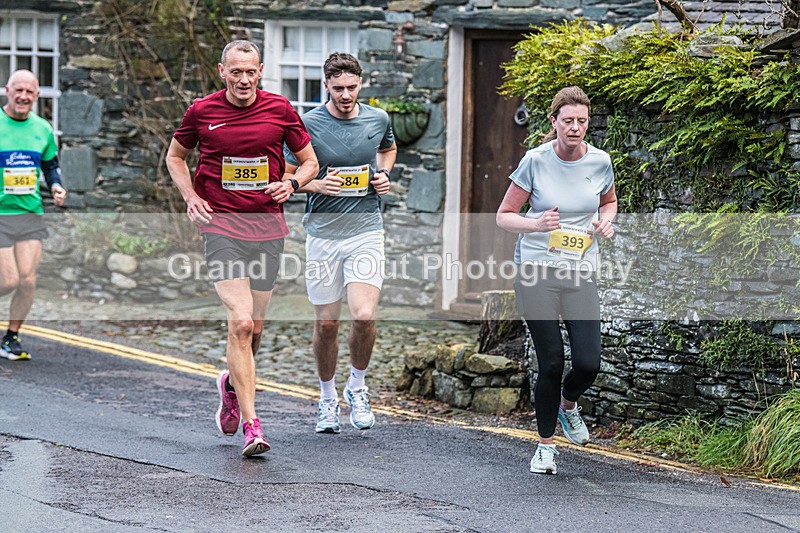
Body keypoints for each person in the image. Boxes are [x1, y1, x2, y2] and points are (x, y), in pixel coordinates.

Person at [166, 40, 319, 457]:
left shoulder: (280, 109)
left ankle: (231, 384)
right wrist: (190, 198)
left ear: (261, 70)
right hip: (221, 227)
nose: (244, 79)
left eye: (251, 71)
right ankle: (253, 426)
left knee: (256, 329)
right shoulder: (202, 111)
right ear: (222, 71)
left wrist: (291, 183)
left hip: (268, 228)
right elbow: (176, 157)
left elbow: (310, 163)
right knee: (242, 323)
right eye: (236, 72)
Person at [496, 86, 617, 475]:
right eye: (568, 121)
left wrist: (607, 222)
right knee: (551, 362)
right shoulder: (535, 160)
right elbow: (504, 215)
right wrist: (535, 223)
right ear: (554, 122)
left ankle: (569, 405)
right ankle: (545, 447)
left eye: (582, 121)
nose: (576, 128)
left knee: (588, 362)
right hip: (536, 272)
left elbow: (609, 201)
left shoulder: (600, 161)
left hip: (579, 269)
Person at [284, 52, 396, 434]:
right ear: (326, 86)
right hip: (322, 234)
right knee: (328, 323)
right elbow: (287, 173)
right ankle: (327, 397)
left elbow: (387, 149)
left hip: (366, 228)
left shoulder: (378, 118)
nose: (346, 95)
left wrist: (383, 176)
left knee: (363, 316)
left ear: (360, 84)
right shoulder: (308, 123)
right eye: (338, 89)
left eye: (352, 87)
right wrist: (315, 183)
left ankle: (358, 388)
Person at [0, 70, 67, 361]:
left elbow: (51, 165)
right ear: (7, 90)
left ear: (37, 96)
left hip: (30, 212)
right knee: (9, 280)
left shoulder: (42, 129)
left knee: (27, 281)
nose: (23, 96)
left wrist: (56, 185)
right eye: (19, 90)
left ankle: (11, 337)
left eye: (30, 92)